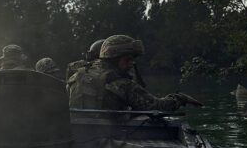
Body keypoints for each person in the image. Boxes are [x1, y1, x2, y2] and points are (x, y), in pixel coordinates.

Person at [68, 34, 202, 111]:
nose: (131, 63)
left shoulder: (76, 75)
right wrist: (180, 98)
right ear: (114, 58)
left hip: (78, 134)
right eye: (128, 59)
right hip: (106, 138)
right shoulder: (122, 84)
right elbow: (159, 106)